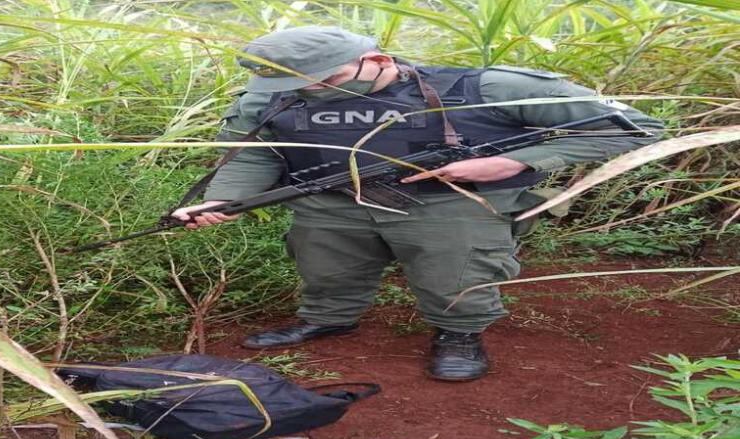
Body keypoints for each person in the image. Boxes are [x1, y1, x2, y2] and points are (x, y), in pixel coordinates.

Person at [171, 26, 663, 381]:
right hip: (330, 199)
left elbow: (638, 128)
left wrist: (514, 162)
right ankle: (328, 319)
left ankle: (459, 333)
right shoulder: (271, 98)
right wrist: (222, 199)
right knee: (325, 267)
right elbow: (253, 156)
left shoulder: (486, 87)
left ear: (379, 61)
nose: (307, 92)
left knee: (457, 273)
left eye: (324, 80)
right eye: (291, 84)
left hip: (451, 203)